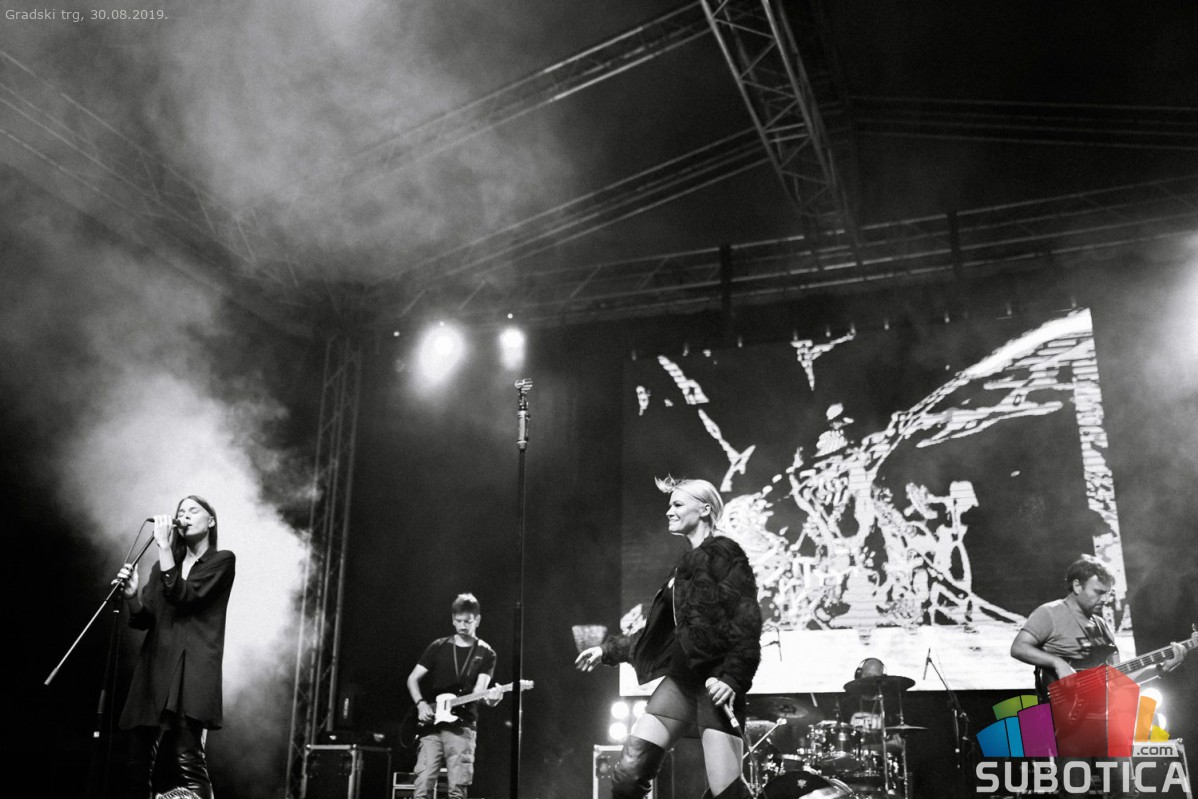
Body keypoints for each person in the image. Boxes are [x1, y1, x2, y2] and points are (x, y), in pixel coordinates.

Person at [575, 476, 763, 799]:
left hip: (713, 686)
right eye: (669, 505)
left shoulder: (725, 553)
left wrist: (733, 678)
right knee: (628, 777)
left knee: (728, 795)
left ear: (704, 509)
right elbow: (659, 634)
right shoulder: (683, 568)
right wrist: (607, 651)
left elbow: (747, 620)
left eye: (677, 504)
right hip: (680, 684)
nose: (669, 511)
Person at [113, 495, 236, 799]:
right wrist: (131, 597)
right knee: (135, 766)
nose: (185, 515)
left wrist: (165, 547)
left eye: (193, 510)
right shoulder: (162, 567)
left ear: (211, 521)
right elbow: (144, 619)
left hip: (191, 669)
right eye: (181, 511)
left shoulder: (222, 561)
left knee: (189, 762)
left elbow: (184, 596)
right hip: (155, 667)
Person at [1010, 554, 1187, 699]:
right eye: (1098, 592)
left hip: (1098, 718)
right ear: (1077, 586)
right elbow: (1018, 648)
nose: (1105, 599)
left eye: (1108, 594)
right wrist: (1058, 663)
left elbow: (1118, 679)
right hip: (1058, 715)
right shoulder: (1050, 613)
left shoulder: (1102, 626)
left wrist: (1160, 669)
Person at [405, 593, 503, 799]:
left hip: (462, 726)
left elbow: (480, 691)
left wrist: (491, 699)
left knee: (457, 790)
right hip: (431, 724)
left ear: (477, 620)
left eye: (468, 621)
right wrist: (421, 704)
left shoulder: (486, 653)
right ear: (452, 619)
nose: (462, 626)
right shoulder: (439, 646)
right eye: (458, 621)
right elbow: (412, 679)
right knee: (422, 784)